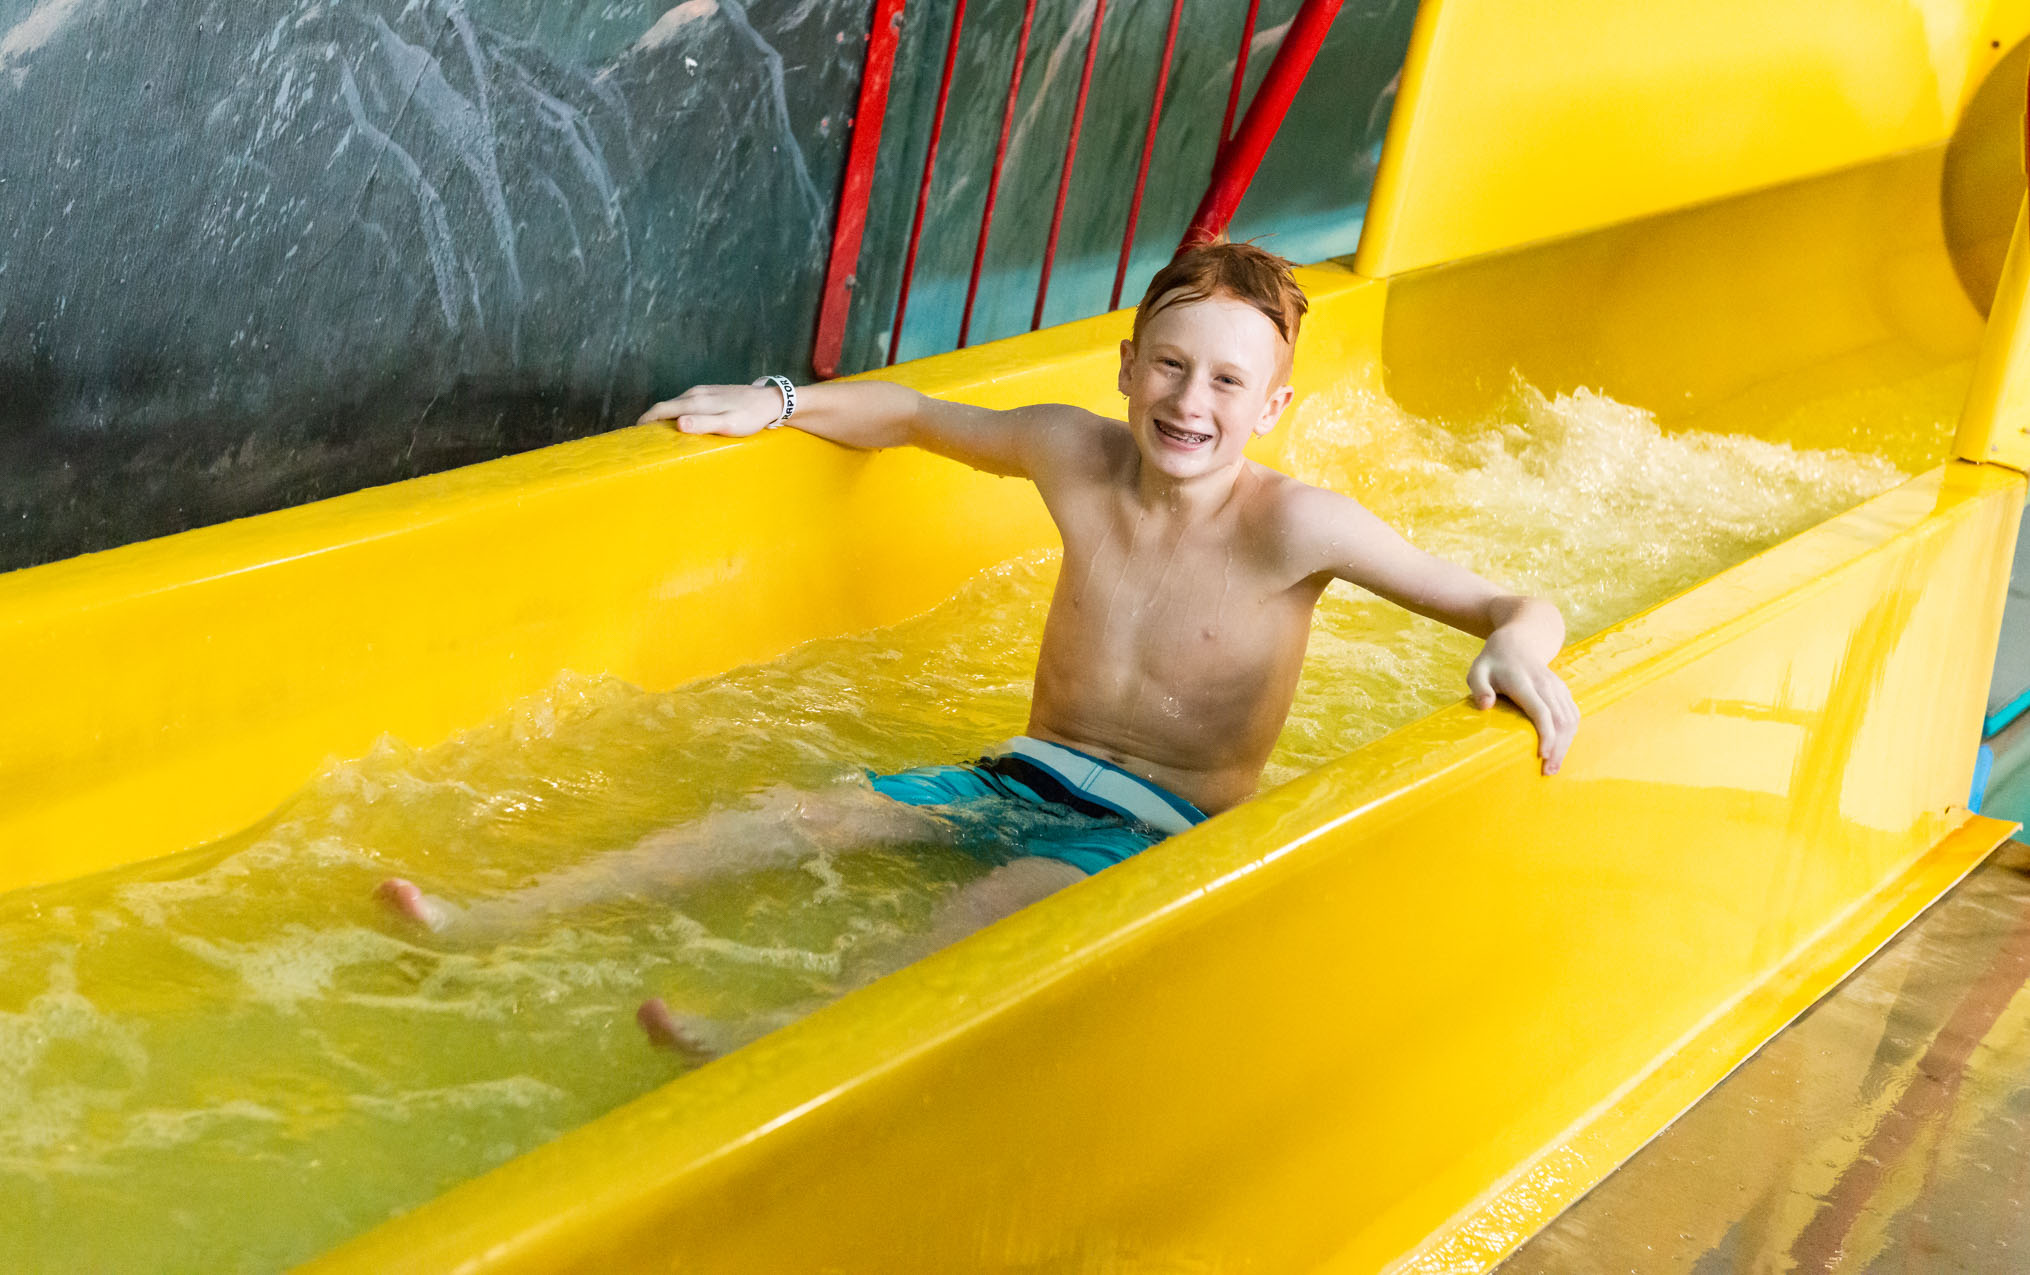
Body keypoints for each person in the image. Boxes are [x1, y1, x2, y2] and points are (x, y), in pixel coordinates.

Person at [377, 240, 1578, 1056]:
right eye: (1168, 364)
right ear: (1126, 365)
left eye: (1226, 379)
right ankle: (497, 918)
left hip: (1155, 831)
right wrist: (774, 402)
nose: (1188, 400)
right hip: (1018, 772)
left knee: (991, 908)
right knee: (790, 816)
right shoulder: (1072, 454)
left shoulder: (1295, 526)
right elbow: (909, 415)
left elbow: (1507, 600)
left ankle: (770, 1044)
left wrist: (1516, 651)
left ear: (1269, 406)